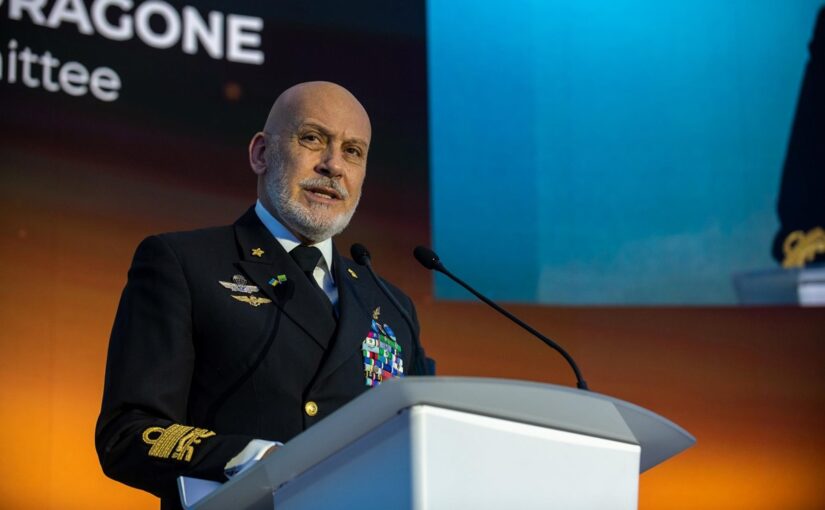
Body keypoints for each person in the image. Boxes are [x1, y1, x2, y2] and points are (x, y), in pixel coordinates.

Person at [95, 81, 431, 508]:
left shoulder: (391, 304)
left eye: (352, 151)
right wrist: (253, 458)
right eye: (313, 139)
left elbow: (423, 437)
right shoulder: (185, 263)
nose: (333, 165)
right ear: (261, 153)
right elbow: (127, 432)